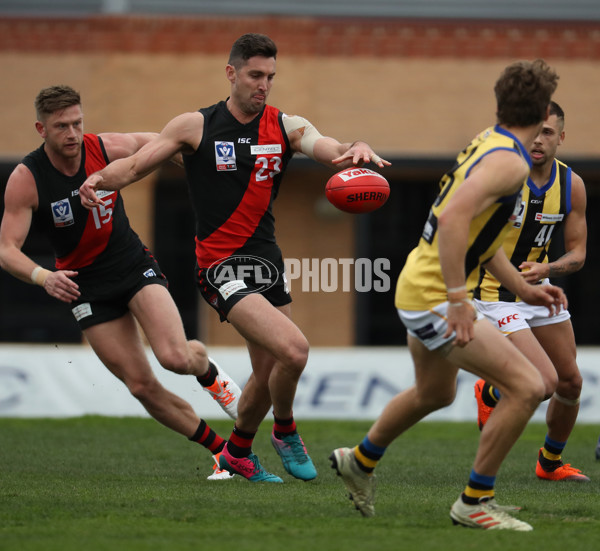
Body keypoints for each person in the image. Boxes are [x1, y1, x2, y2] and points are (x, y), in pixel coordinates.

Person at [79, 33, 390, 483]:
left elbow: (327, 147)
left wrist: (354, 150)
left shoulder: (285, 125)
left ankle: (238, 452)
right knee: (296, 351)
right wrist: (99, 180)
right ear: (232, 74)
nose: (264, 85)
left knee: (265, 374)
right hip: (219, 266)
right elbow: (137, 165)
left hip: (266, 262)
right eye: (255, 75)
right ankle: (285, 430)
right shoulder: (195, 126)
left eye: (270, 77)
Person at [330, 59, 563, 531]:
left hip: (420, 283)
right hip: (437, 293)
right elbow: (456, 218)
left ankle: (360, 459)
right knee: (530, 386)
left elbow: (479, 232)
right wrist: (459, 298)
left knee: (434, 392)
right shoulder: (510, 161)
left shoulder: (489, 141)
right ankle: (473, 501)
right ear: (542, 112)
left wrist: (521, 288)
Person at [0, 85, 241, 481]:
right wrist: (44, 276)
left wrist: (200, 165)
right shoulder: (27, 179)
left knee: (175, 357)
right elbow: (7, 249)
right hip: (85, 287)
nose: (73, 134)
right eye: (61, 126)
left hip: (131, 266)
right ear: (41, 129)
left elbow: (160, 144)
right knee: (141, 385)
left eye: (77, 123)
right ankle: (225, 453)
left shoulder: (105, 147)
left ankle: (212, 376)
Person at [472, 101, 589, 482]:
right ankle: (490, 392)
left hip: (538, 289)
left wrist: (547, 269)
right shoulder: (502, 175)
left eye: (548, 133)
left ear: (561, 138)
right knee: (542, 383)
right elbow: (479, 244)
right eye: (533, 132)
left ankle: (550, 463)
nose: (538, 141)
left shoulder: (571, 184)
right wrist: (521, 282)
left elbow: (578, 252)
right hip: (493, 294)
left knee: (570, 382)